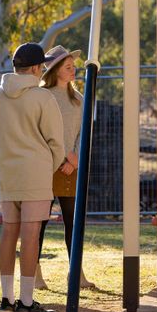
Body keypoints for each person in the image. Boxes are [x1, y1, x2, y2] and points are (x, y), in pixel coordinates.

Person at [0, 42, 65, 312]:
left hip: (8, 172)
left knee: (9, 233)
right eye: (41, 66)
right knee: (31, 236)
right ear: (34, 68)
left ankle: (6, 300)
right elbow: (57, 142)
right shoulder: (43, 97)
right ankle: (27, 302)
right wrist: (47, 167)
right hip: (36, 173)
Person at [36, 45, 93, 290]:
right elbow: (44, 131)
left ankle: (76, 272)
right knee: (40, 221)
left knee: (74, 221)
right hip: (48, 167)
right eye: (68, 67)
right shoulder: (43, 96)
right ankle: (34, 273)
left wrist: (75, 159)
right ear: (55, 70)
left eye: (73, 66)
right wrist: (65, 157)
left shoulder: (79, 98)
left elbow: (83, 131)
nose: (73, 70)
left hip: (72, 168)